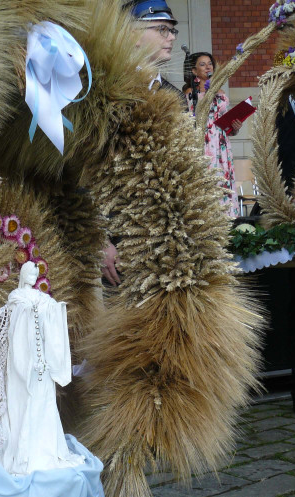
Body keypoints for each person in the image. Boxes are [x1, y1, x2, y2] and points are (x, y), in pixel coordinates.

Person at [0, 261, 84, 474]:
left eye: (36, 274)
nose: (34, 278)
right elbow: (6, 328)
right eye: (31, 274)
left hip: (40, 366)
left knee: (42, 403)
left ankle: (41, 450)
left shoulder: (44, 301)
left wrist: (53, 310)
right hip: (18, 364)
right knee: (19, 403)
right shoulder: (15, 300)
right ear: (24, 275)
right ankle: (18, 452)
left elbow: (51, 324)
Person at [102, 0, 182, 285]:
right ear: (132, 35)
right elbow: (82, 169)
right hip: (118, 248)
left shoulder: (176, 96)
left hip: (170, 246)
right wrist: (99, 239)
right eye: (162, 29)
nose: (171, 37)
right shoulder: (106, 92)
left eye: (172, 30)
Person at [184, 52, 242, 218]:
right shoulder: (190, 92)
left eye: (210, 63)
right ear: (194, 71)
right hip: (203, 141)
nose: (208, 67)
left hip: (221, 143)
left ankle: (227, 220)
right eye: (202, 64)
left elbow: (226, 123)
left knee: (223, 180)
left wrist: (235, 127)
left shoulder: (221, 91)